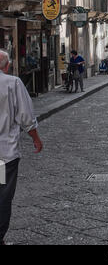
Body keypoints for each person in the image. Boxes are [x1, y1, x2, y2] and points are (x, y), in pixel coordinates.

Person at [0, 50, 43, 246]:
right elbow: (25, 116)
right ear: (7, 66)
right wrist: (35, 138)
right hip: (4, 154)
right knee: (2, 194)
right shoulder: (12, 83)